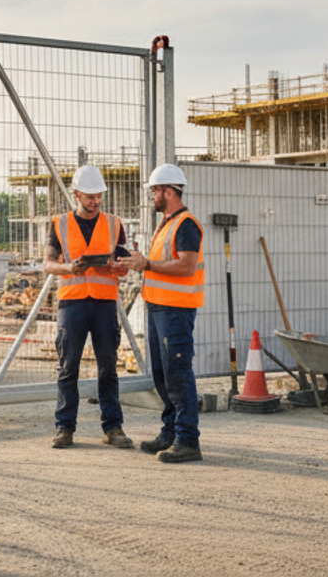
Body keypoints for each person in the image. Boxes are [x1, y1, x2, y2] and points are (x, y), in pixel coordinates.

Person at [42, 165, 133, 449]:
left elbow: (125, 267)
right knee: (68, 367)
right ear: (77, 194)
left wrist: (116, 266)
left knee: (108, 367)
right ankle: (64, 427)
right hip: (73, 302)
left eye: (99, 196)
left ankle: (113, 427)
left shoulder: (115, 224)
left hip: (105, 303)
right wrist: (69, 267)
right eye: (90, 196)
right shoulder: (59, 223)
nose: (96, 201)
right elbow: (47, 264)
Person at [122, 163, 205, 463]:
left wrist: (148, 265)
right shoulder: (167, 224)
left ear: (169, 191)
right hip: (159, 307)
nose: (152, 196)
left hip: (176, 310)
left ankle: (187, 439)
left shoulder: (186, 224)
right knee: (162, 374)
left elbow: (186, 265)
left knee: (178, 373)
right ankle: (170, 432)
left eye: (155, 191)